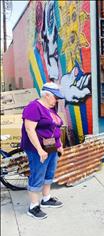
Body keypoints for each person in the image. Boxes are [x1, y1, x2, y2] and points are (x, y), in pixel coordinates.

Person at [20, 82, 64, 220]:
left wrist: (59, 144)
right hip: (36, 148)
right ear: (46, 95)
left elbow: (54, 127)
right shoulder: (33, 107)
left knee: (49, 172)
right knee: (38, 174)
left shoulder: (50, 107)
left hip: (50, 145)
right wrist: (39, 150)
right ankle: (33, 206)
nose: (56, 100)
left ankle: (46, 198)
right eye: (55, 97)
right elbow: (29, 129)